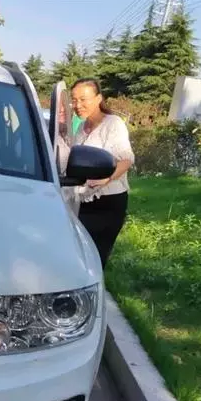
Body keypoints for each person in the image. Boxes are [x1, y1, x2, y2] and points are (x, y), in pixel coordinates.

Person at [71, 77, 135, 269]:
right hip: (83, 200)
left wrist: (107, 178)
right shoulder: (81, 127)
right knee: (78, 254)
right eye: (74, 100)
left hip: (107, 203)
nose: (78, 105)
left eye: (83, 99)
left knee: (94, 258)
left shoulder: (113, 124)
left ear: (99, 98)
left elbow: (127, 159)